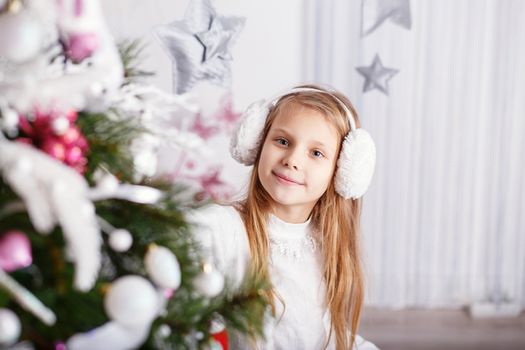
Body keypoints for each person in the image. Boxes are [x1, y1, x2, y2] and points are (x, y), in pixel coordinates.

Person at [188, 85, 378, 349]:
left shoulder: (326, 242)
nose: (292, 160)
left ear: (342, 172)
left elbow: (324, 333)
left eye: (316, 153)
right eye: (283, 141)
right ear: (256, 144)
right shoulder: (222, 227)